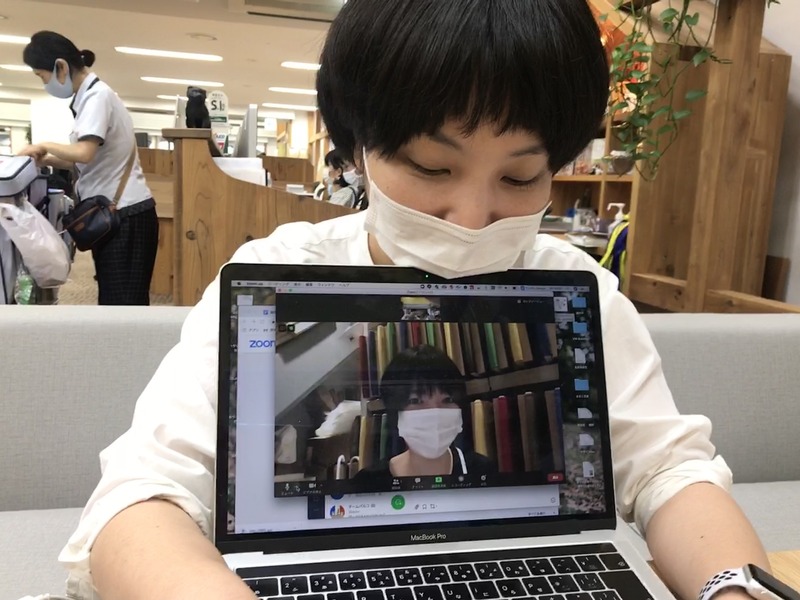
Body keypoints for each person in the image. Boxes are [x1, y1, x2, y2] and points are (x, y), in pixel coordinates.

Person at [58, 2, 769, 599]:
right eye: (433, 167)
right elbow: (139, 500)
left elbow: (668, 471)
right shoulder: (279, 271)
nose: (473, 218)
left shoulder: (574, 285)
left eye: (521, 177)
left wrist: (731, 589)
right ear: (356, 149)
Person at [18, 31, 158, 305]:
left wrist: (44, 144)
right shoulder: (90, 97)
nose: (44, 83)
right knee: (116, 299)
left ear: (60, 66)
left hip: (125, 213)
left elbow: (84, 152)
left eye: (42, 76)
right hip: (117, 213)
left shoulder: (97, 97)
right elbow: (82, 160)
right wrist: (46, 159)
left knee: (123, 305)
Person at [353, 345, 493, 487]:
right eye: (416, 401)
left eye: (447, 399)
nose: (435, 413)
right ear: (395, 413)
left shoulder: (483, 471)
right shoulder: (368, 482)